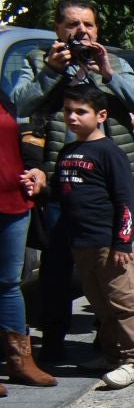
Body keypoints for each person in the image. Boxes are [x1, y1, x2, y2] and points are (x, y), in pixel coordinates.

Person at [11, 0, 134, 363]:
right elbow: (20, 104)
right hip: (61, 180)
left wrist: (108, 74)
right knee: (56, 266)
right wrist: (51, 73)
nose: (81, 31)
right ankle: (53, 339)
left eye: (88, 24)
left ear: (97, 30)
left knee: (112, 265)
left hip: (109, 181)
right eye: (72, 24)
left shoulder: (111, 61)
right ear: (58, 28)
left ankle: (113, 339)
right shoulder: (38, 62)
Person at [52, 87, 134, 390]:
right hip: (82, 243)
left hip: (109, 243)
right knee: (100, 304)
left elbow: (126, 202)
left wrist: (122, 242)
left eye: (81, 111)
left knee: (123, 301)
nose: (72, 117)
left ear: (101, 116)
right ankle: (111, 353)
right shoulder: (67, 152)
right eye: (68, 111)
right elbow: (60, 193)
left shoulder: (110, 152)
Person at [0, 83, 53, 390]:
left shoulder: (4, 95)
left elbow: (21, 137)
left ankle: (21, 361)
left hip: (13, 198)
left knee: (8, 282)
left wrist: (36, 168)